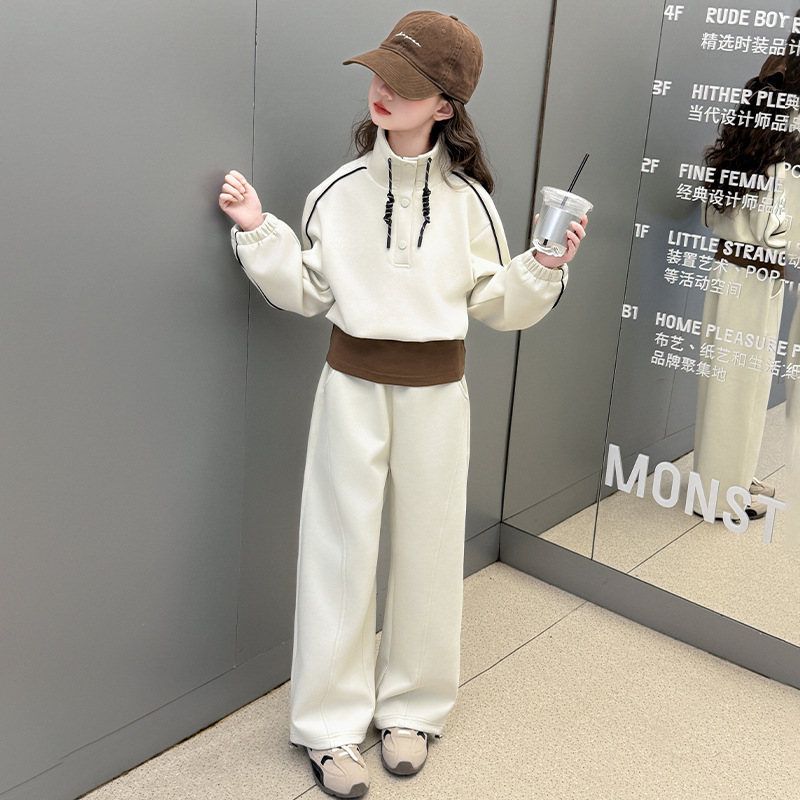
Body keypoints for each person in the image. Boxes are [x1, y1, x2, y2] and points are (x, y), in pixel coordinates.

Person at [219, 11, 586, 797]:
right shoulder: (337, 192)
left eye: (406, 84)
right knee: (338, 548)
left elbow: (496, 303)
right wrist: (259, 233)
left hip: (437, 394)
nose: (383, 91)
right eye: (381, 74)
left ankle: (413, 712)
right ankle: (328, 728)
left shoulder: (471, 203)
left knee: (428, 549)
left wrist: (544, 266)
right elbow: (310, 289)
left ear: (445, 106)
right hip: (350, 387)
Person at [694, 29, 800, 524]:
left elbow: (712, 212)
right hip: (756, 276)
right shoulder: (787, 150)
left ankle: (728, 475)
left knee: (725, 384)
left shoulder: (747, 136)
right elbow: (777, 231)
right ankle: (722, 495)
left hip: (729, 269)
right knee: (740, 387)